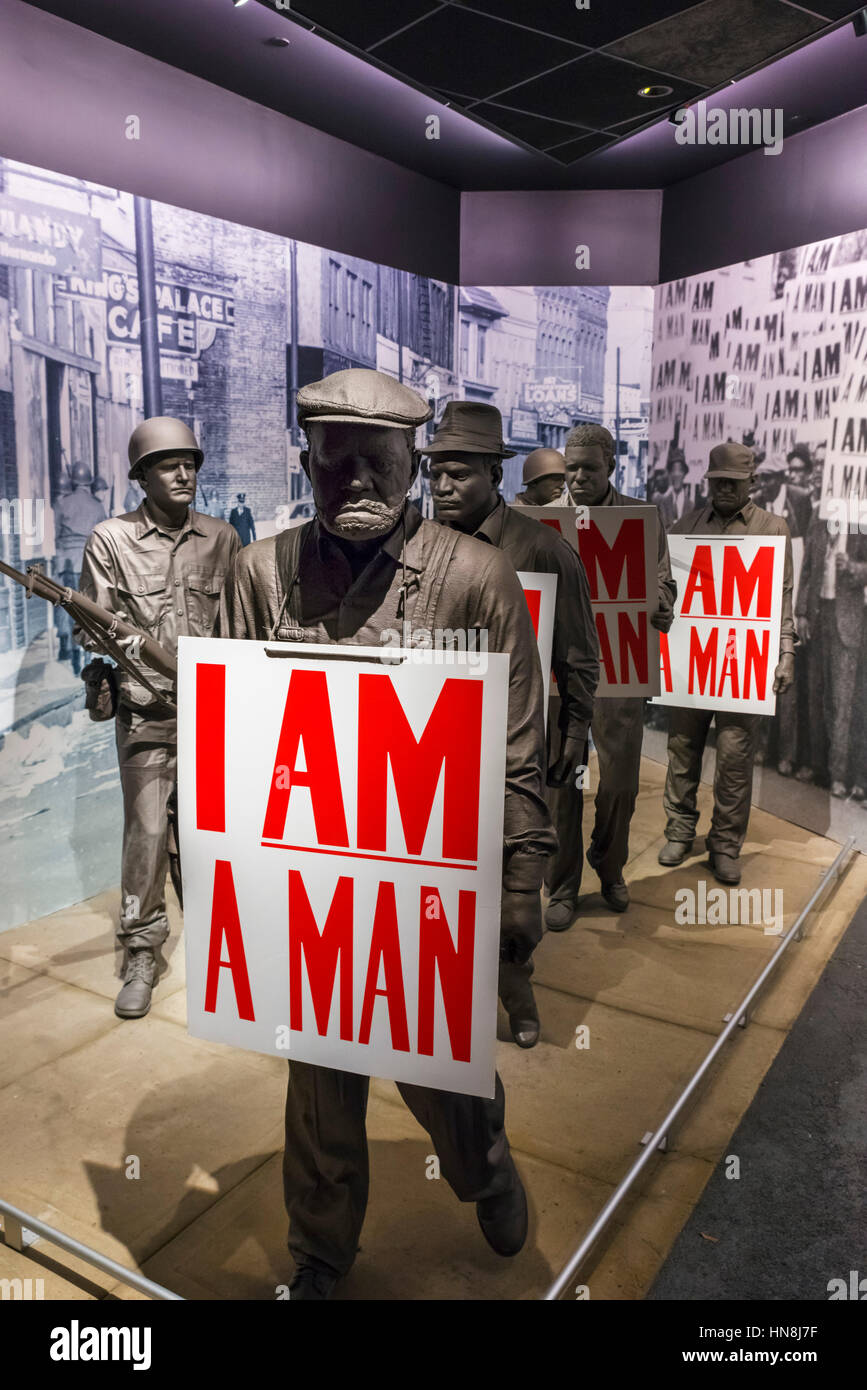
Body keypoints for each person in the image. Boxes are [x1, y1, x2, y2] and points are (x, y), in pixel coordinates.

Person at [218, 368, 557, 1299]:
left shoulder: (476, 579)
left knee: (432, 1066)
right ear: (307, 463)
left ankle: (481, 1160)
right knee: (321, 1078)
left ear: (413, 463)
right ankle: (320, 1254)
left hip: (427, 879)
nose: (358, 483)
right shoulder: (258, 576)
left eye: (379, 462)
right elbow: (233, 741)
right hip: (311, 879)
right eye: (337, 465)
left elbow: (516, 750)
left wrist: (522, 880)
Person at [424, 400, 599, 1048]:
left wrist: (573, 742)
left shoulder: (544, 550)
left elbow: (578, 659)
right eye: (434, 473)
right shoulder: (418, 551)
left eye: (458, 473)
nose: (441, 486)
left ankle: (515, 993)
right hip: (436, 751)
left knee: (511, 896)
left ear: (493, 475)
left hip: (515, 748)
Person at [77, 417, 240, 1020]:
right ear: (141, 476)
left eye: (190, 462)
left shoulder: (222, 538)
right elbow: (91, 627)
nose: (183, 473)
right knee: (147, 834)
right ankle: (142, 949)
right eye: (168, 464)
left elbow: (240, 626)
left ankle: (225, 944)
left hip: (214, 717)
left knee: (213, 835)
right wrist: (125, 653)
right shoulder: (111, 540)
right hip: (146, 714)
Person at [545, 423, 676, 929]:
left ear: (612, 468)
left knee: (619, 782)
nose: (577, 478)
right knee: (563, 780)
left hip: (620, 671)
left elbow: (662, 578)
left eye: (589, 469)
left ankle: (609, 862)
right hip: (562, 673)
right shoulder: (542, 522)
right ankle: (561, 884)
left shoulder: (640, 518)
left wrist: (662, 605)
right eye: (570, 468)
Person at [659, 443, 797, 884]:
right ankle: (680, 829)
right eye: (715, 481)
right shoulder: (686, 525)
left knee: (735, 757)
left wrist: (786, 653)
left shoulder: (773, 529)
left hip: (744, 667)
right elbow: (668, 589)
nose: (721, 489)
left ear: (751, 483)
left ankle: (724, 844)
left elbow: (782, 599)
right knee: (682, 749)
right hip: (694, 661)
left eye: (731, 483)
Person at [796, 504, 867, 799]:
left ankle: (838, 774)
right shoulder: (819, 515)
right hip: (818, 615)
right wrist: (801, 612)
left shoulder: (862, 519)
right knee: (817, 695)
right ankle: (817, 765)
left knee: (842, 701)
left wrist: (853, 567)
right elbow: (809, 568)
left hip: (847, 621)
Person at [753, 456, 812, 777]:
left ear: (782, 478)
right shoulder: (756, 505)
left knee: (788, 681)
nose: (766, 485)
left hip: (790, 599)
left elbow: (809, 550)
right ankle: (762, 747)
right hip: (763, 602)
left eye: (771, 479)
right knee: (762, 678)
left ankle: (787, 754)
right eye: (762, 479)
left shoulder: (800, 500)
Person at [53, 461, 107, 673]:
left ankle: (71, 654)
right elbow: (102, 537)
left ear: (73, 481)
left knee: (66, 606)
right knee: (86, 610)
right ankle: (85, 653)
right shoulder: (97, 505)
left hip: (67, 562)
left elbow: (56, 536)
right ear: (89, 482)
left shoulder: (62, 504)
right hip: (87, 562)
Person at [657, 452, 691, 530]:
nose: (676, 474)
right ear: (670, 474)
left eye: (680, 470)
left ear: (684, 474)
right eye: (673, 470)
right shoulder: (663, 502)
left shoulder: (691, 505)